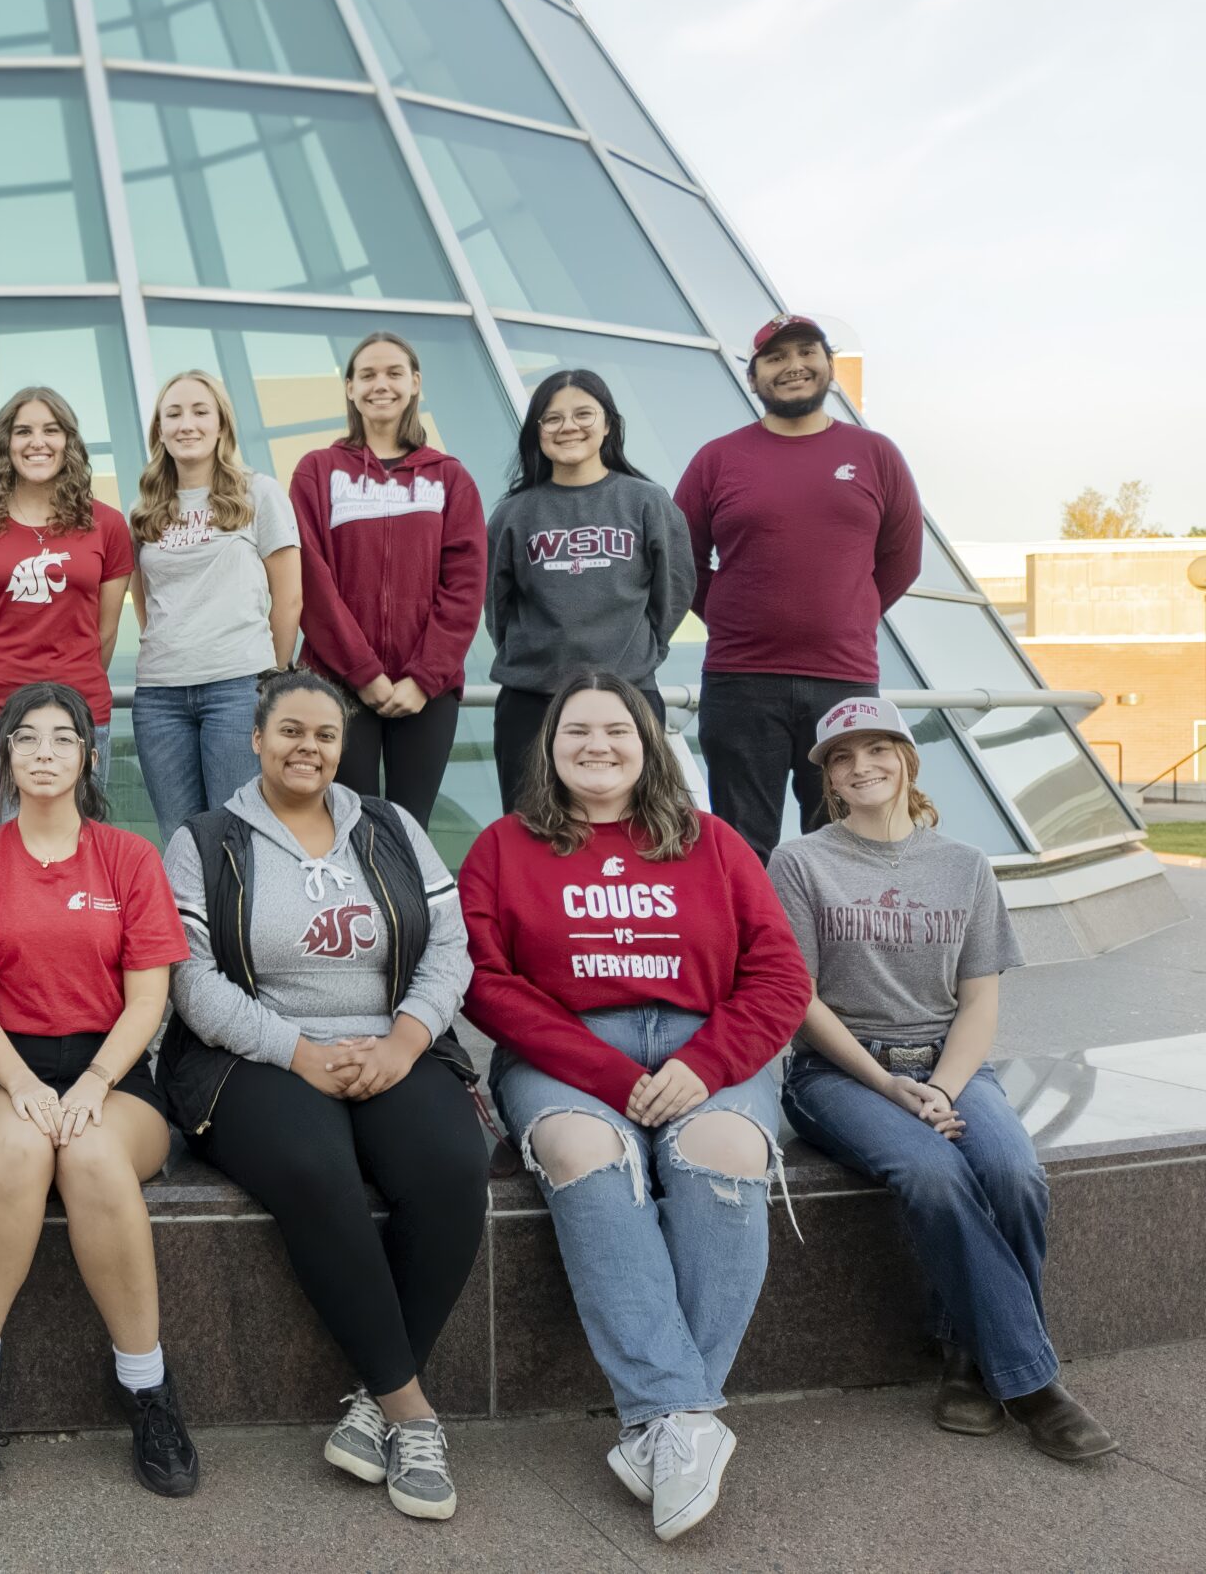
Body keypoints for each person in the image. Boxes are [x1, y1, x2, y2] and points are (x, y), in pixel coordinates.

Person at [457, 672, 810, 1543]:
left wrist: (706, 1063)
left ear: (648, 741)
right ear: (550, 747)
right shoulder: (503, 847)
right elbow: (487, 984)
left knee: (721, 1153)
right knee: (589, 1154)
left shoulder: (714, 843)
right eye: (576, 731)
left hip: (705, 1042)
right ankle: (685, 1414)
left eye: (617, 729)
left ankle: (666, 1423)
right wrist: (613, 1078)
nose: (597, 746)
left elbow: (781, 978)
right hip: (566, 1049)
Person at [158, 669, 482, 1522]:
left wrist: (407, 1039)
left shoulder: (392, 826)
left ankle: (376, 1401)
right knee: (315, 1168)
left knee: (453, 1169)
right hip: (255, 1055)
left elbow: (451, 946)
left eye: (326, 736)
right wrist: (295, 1050)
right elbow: (190, 981)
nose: (309, 748)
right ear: (257, 739)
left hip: (391, 1042)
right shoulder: (205, 838)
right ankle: (411, 1412)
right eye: (291, 732)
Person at [770, 698, 1115, 1461]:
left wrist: (945, 1089)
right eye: (843, 756)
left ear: (908, 759)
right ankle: (1031, 1384)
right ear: (828, 776)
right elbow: (800, 1000)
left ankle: (966, 1357)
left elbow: (980, 1000)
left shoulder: (964, 866)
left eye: (878, 749)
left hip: (951, 1063)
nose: (863, 766)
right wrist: (892, 1088)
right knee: (933, 1173)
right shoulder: (801, 863)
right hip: (840, 1072)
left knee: (1013, 1172)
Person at [0, 683, 198, 1499]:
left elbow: (149, 1000)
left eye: (61, 738)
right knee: (18, 1149)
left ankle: (147, 1385)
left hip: (113, 1071)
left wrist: (91, 1082)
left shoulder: (130, 858)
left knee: (87, 1154)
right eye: (25, 738)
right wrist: (20, 1084)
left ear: (89, 755)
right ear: (5, 758)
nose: (43, 752)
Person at [674, 313, 922, 861]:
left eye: (806, 352)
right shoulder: (718, 459)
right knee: (742, 844)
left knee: (846, 841)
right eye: (776, 357)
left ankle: (834, 950)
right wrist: (735, 616)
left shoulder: (876, 454)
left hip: (843, 680)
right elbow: (680, 560)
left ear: (828, 365)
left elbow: (902, 560)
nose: (793, 367)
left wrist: (847, 614)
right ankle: (753, 950)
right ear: (753, 376)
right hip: (740, 682)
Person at [288, 331, 486, 829]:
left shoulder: (450, 477)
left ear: (415, 383)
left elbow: (464, 586)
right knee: (344, 824)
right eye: (368, 375)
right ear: (350, 388)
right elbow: (311, 582)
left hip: (427, 690)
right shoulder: (317, 471)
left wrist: (423, 678)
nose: (382, 384)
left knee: (410, 827)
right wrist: (364, 675)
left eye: (395, 373)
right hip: (337, 685)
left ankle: (410, 912)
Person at [485, 369, 693, 812]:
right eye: (552, 418)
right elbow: (496, 607)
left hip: (628, 694)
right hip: (531, 700)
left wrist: (640, 650)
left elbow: (674, 592)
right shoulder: (513, 513)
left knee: (632, 827)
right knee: (530, 832)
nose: (568, 427)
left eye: (583, 414)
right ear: (537, 431)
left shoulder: (647, 502)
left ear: (608, 425)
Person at [0, 387, 133, 833]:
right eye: (23, 431)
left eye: (51, 430)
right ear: (5, 444)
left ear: (68, 441)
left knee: (77, 853)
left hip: (81, 711)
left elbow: (104, 636)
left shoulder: (107, 525)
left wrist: (66, 678)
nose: (37, 442)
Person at [128, 369, 302, 837]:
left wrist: (271, 678)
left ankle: (238, 915)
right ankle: (189, 915)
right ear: (160, 431)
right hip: (159, 696)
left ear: (221, 424)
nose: (188, 424)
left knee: (237, 832)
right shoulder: (144, 510)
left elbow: (288, 599)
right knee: (179, 836)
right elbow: (145, 602)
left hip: (236, 687)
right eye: (174, 414)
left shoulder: (257, 493)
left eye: (200, 412)